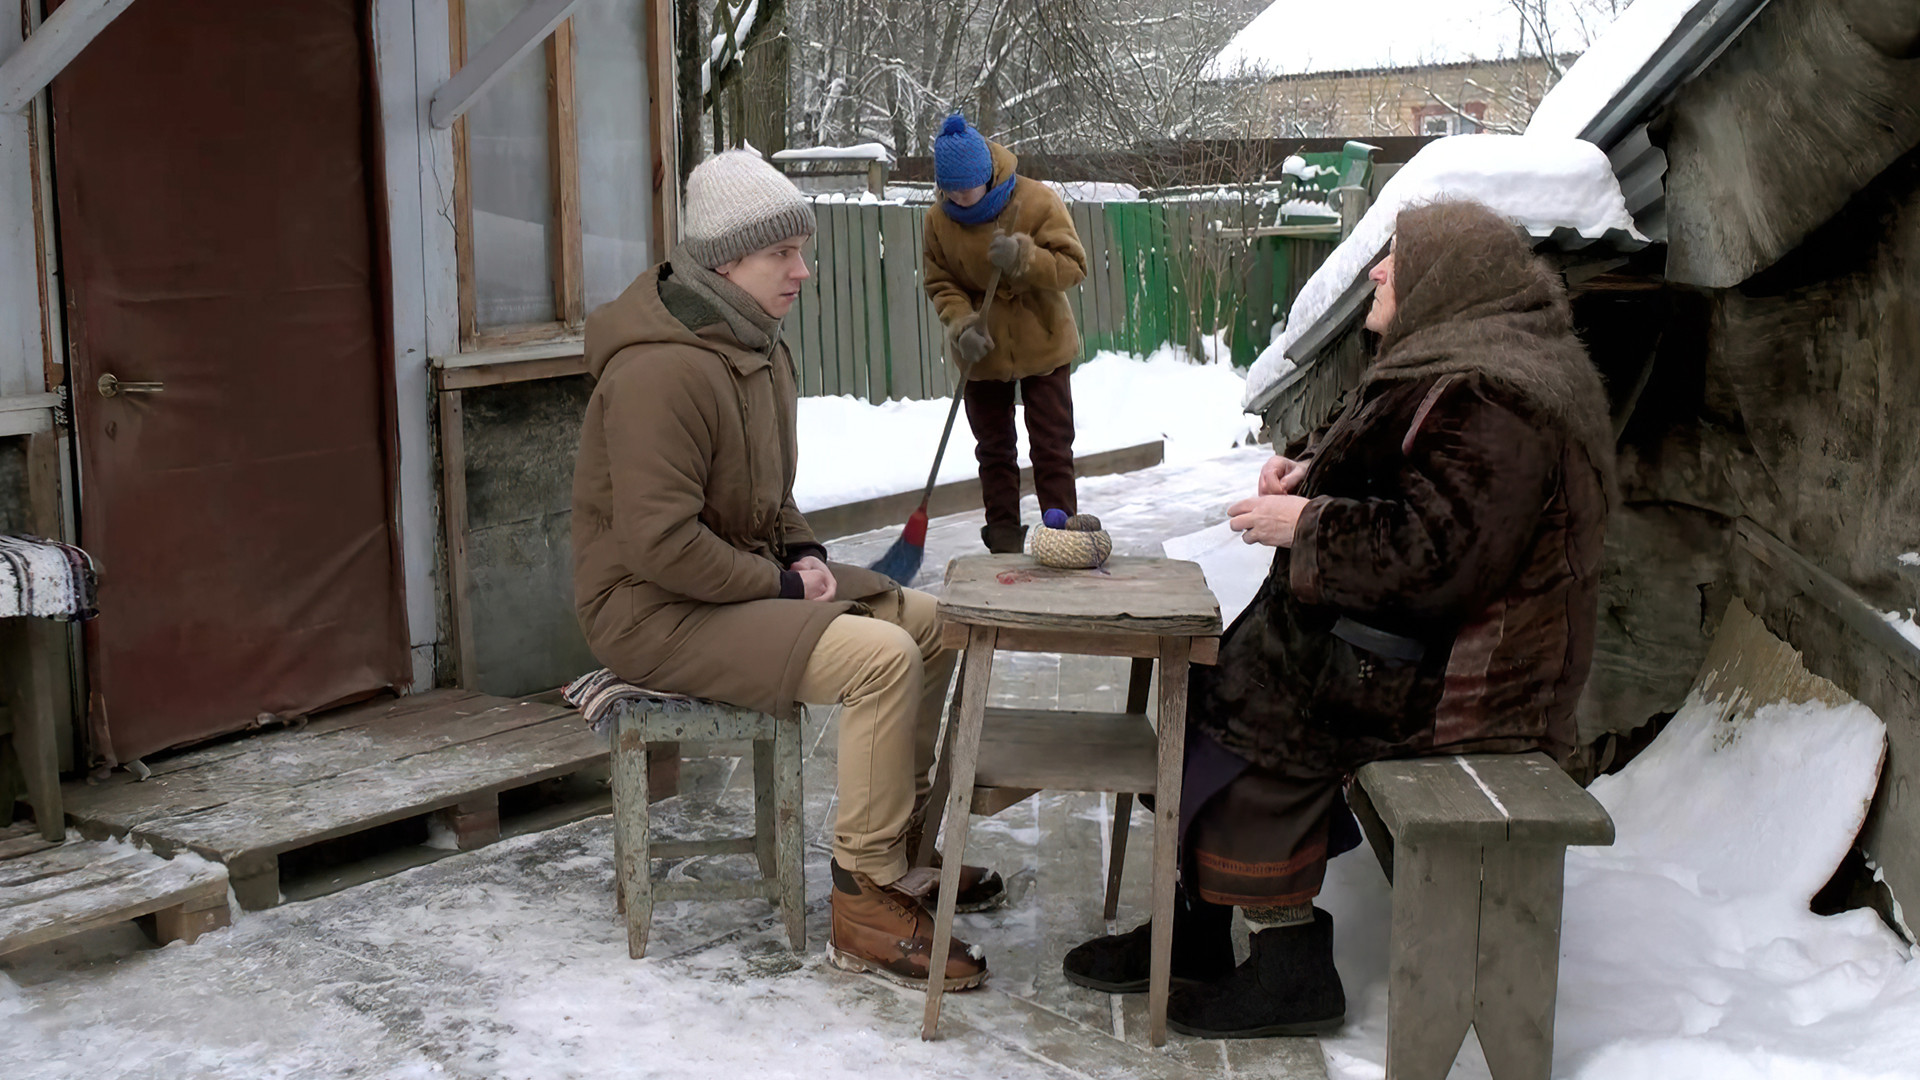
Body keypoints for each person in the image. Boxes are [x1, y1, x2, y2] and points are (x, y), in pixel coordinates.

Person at [1061, 199, 1616, 1038]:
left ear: (1448, 283)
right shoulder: (1455, 359)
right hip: (1404, 647)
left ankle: (1291, 969)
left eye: (1398, 259)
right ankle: (1199, 928)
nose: (1377, 272)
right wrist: (1305, 472)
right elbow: (1394, 464)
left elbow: (1438, 559)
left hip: (1466, 683)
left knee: (1258, 712)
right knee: (1206, 682)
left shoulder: (1503, 399)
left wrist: (1308, 526)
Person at [572, 150, 1003, 992]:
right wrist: (780, 584)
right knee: (880, 660)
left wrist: (802, 551)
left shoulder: (754, 347)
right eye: (783, 254)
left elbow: (771, 495)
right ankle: (864, 900)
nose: (803, 271)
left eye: (801, 251)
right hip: (651, 610)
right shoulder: (661, 370)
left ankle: (900, 844)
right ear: (727, 260)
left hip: (729, 584)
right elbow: (661, 545)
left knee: (932, 623)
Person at [924, 114, 1089, 554]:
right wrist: (961, 325)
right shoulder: (938, 221)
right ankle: (1002, 538)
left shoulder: (1035, 200)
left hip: (1043, 339)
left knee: (1052, 445)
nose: (959, 197)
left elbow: (1074, 267)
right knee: (994, 450)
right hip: (983, 351)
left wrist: (1024, 258)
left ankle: (1061, 534)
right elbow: (941, 283)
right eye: (950, 189)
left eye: (967, 187)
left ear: (986, 173)